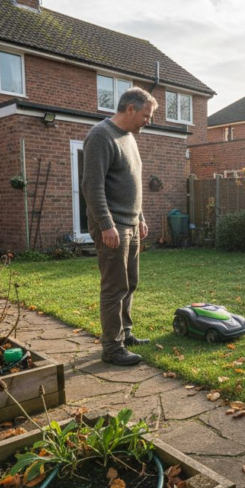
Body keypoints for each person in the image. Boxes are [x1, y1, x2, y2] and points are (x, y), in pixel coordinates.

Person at [80, 87, 156, 366]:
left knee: (130, 282)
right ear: (131, 109)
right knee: (115, 287)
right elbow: (91, 185)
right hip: (113, 227)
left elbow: (130, 184)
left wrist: (141, 217)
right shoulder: (101, 136)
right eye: (146, 115)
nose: (148, 121)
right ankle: (112, 347)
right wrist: (106, 224)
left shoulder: (129, 138)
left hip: (131, 223)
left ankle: (125, 334)